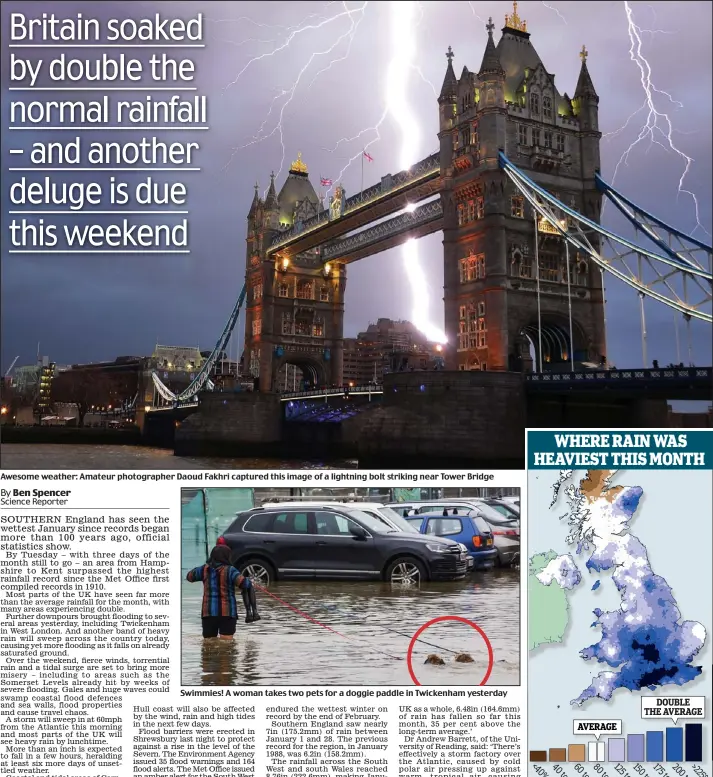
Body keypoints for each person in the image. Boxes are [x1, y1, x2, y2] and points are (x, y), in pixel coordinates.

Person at [185, 546, 259, 639]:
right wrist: (250, 581)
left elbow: (189, 577)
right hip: (227, 613)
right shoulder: (230, 570)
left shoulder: (204, 569)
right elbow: (244, 584)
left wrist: (201, 568)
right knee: (226, 645)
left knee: (209, 645)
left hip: (209, 613)